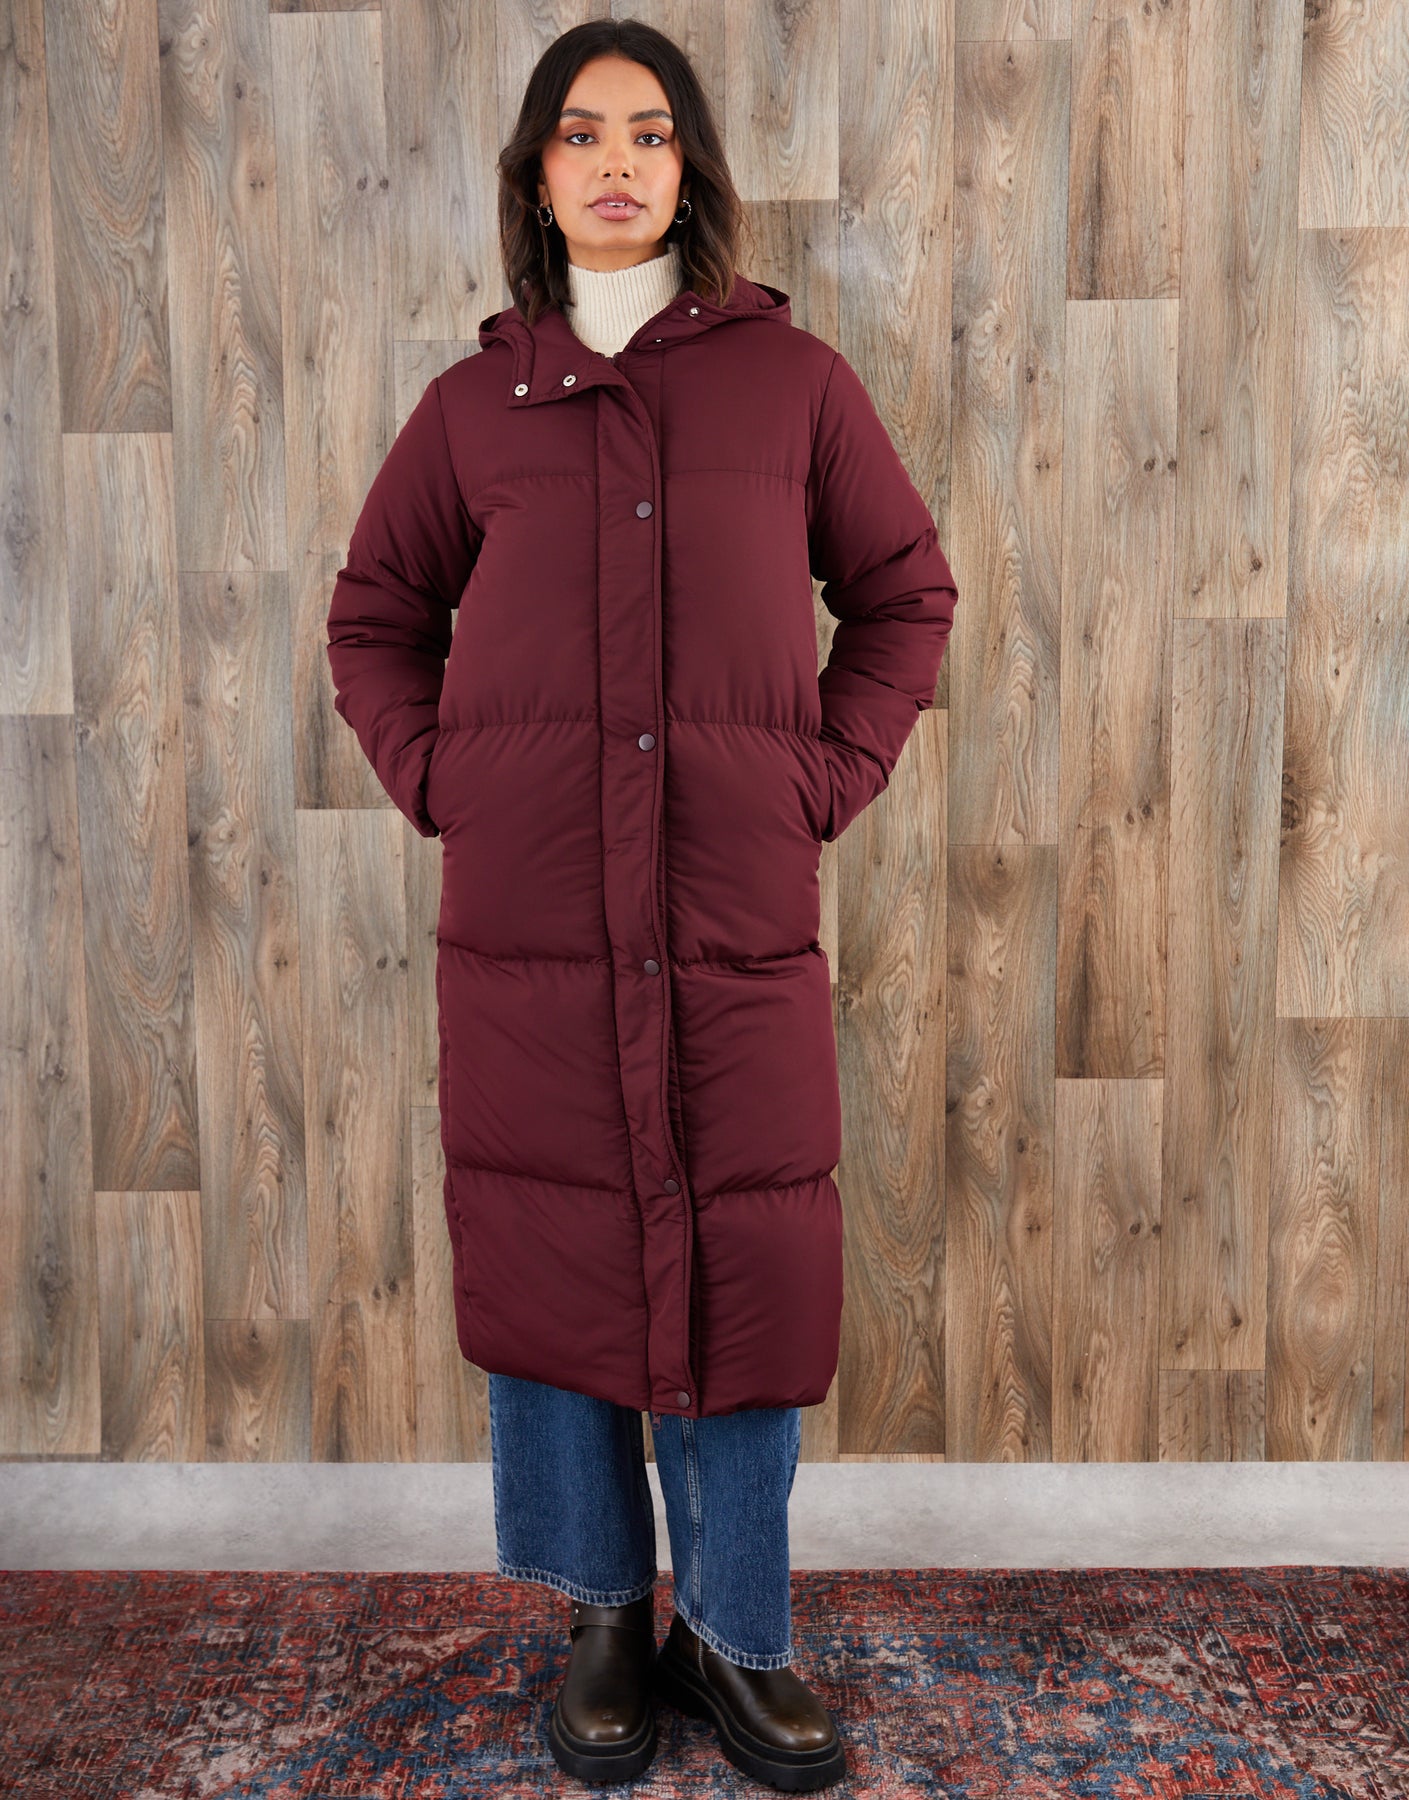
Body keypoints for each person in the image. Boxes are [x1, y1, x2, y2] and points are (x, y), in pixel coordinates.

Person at [326, 18, 956, 1793]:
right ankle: (601, 1614)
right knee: (553, 1248)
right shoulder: (473, 410)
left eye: (652, 133)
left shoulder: (793, 386)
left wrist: (820, 773)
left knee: (743, 1250)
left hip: (728, 907)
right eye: (583, 133)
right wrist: (443, 779)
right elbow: (375, 616)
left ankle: (737, 1634)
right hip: (528, 917)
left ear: (691, 171)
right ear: (538, 175)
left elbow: (903, 591)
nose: (618, 161)